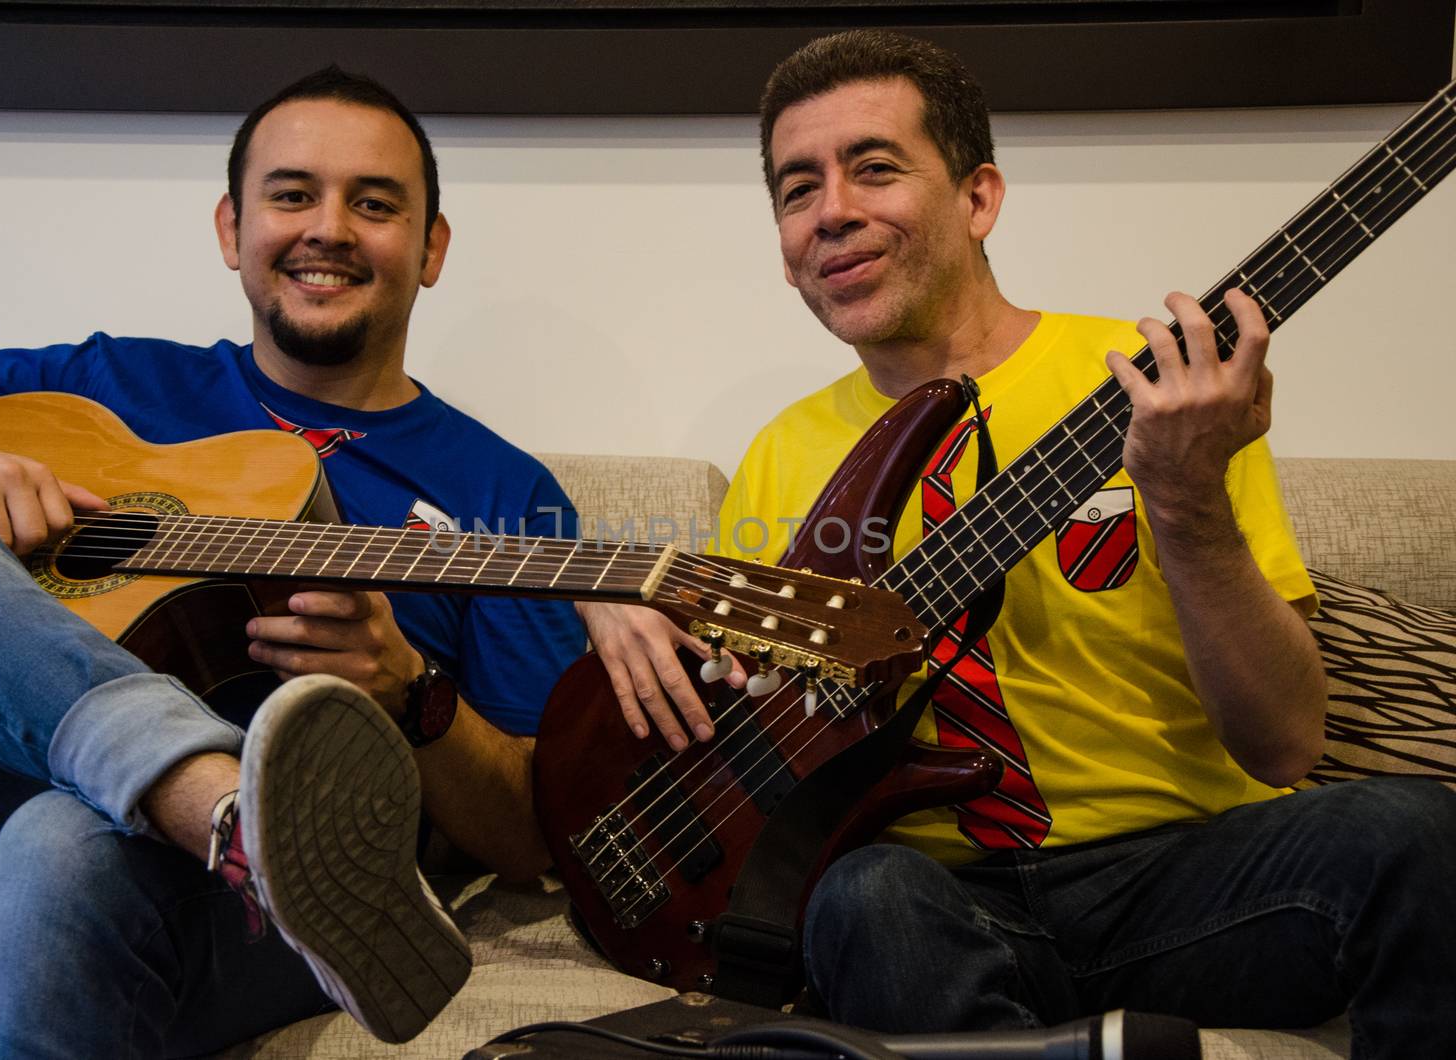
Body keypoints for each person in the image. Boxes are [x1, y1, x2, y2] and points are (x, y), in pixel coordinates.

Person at [580, 30, 1456, 1057]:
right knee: (863, 897)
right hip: (933, 901)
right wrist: (618, 589)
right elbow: (745, 721)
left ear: (978, 197)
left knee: (1411, 834)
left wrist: (1181, 497)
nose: (832, 211)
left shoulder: (1158, 390)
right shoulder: (779, 456)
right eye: (795, 188)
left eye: (873, 167)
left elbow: (1283, 743)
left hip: (1178, 878)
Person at [0, 67, 585, 1058]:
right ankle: (208, 794)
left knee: (62, 845)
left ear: (432, 248)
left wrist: (412, 693)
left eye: (373, 204)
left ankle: (237, 827)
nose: (327, 226)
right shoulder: (98, 383)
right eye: (291, 195)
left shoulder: (506, 493)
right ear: (229, 228)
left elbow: (535, 837)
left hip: (228, 904)